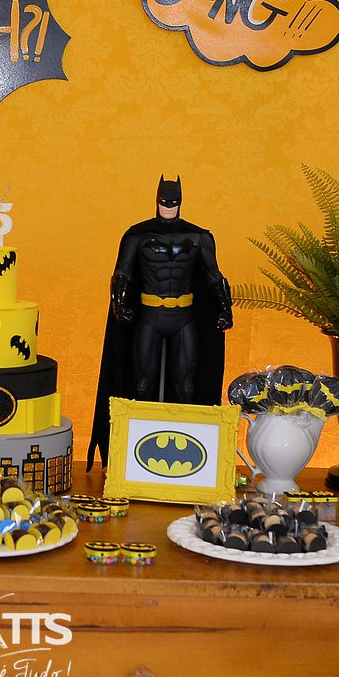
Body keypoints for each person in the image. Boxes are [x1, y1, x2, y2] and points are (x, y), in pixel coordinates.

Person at [88, 176, 232, 468]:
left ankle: (190, 454)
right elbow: (122, 274)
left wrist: (224, 309)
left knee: (186, 388)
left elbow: (214, 276)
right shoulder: (137, 236)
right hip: (151, 315)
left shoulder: (198, 236)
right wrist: (119, 305)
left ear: (180, 200)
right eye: (165, 200)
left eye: (173, 200)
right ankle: (133, 456)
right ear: (157, 199)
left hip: (184, 316)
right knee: (141, 385)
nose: (168, 205)